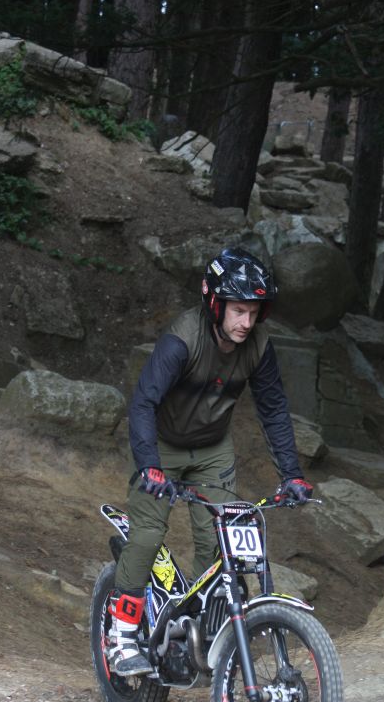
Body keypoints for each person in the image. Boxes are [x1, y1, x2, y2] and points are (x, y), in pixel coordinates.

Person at [108, 246, 313, 677]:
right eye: (239, 311)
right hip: (162, 444)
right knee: (148, 533)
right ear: (216, 304)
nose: (247, 323)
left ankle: (201, 636)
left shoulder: (258, 345)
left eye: (254, 313)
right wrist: (149, 465)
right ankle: (121, 636)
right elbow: (143, 402)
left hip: (212, 450)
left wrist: (292, 475)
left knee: (220, 543)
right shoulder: (183, 338)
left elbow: (274, 409)